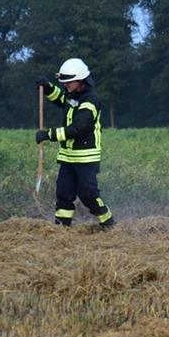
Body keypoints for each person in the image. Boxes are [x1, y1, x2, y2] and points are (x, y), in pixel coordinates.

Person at [35, 58, 115, 229]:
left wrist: (49, 134)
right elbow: (61, 99)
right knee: (63, 193)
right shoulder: (73, 95)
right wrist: (48, 88)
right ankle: (62, 228)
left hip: (86, 158)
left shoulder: (90, 101)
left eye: (69, 82)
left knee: (88, 194)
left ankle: (108, 223)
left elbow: (78, 128)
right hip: (68, 157)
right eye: (64, 82)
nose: (66, 86)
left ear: (81, 81)